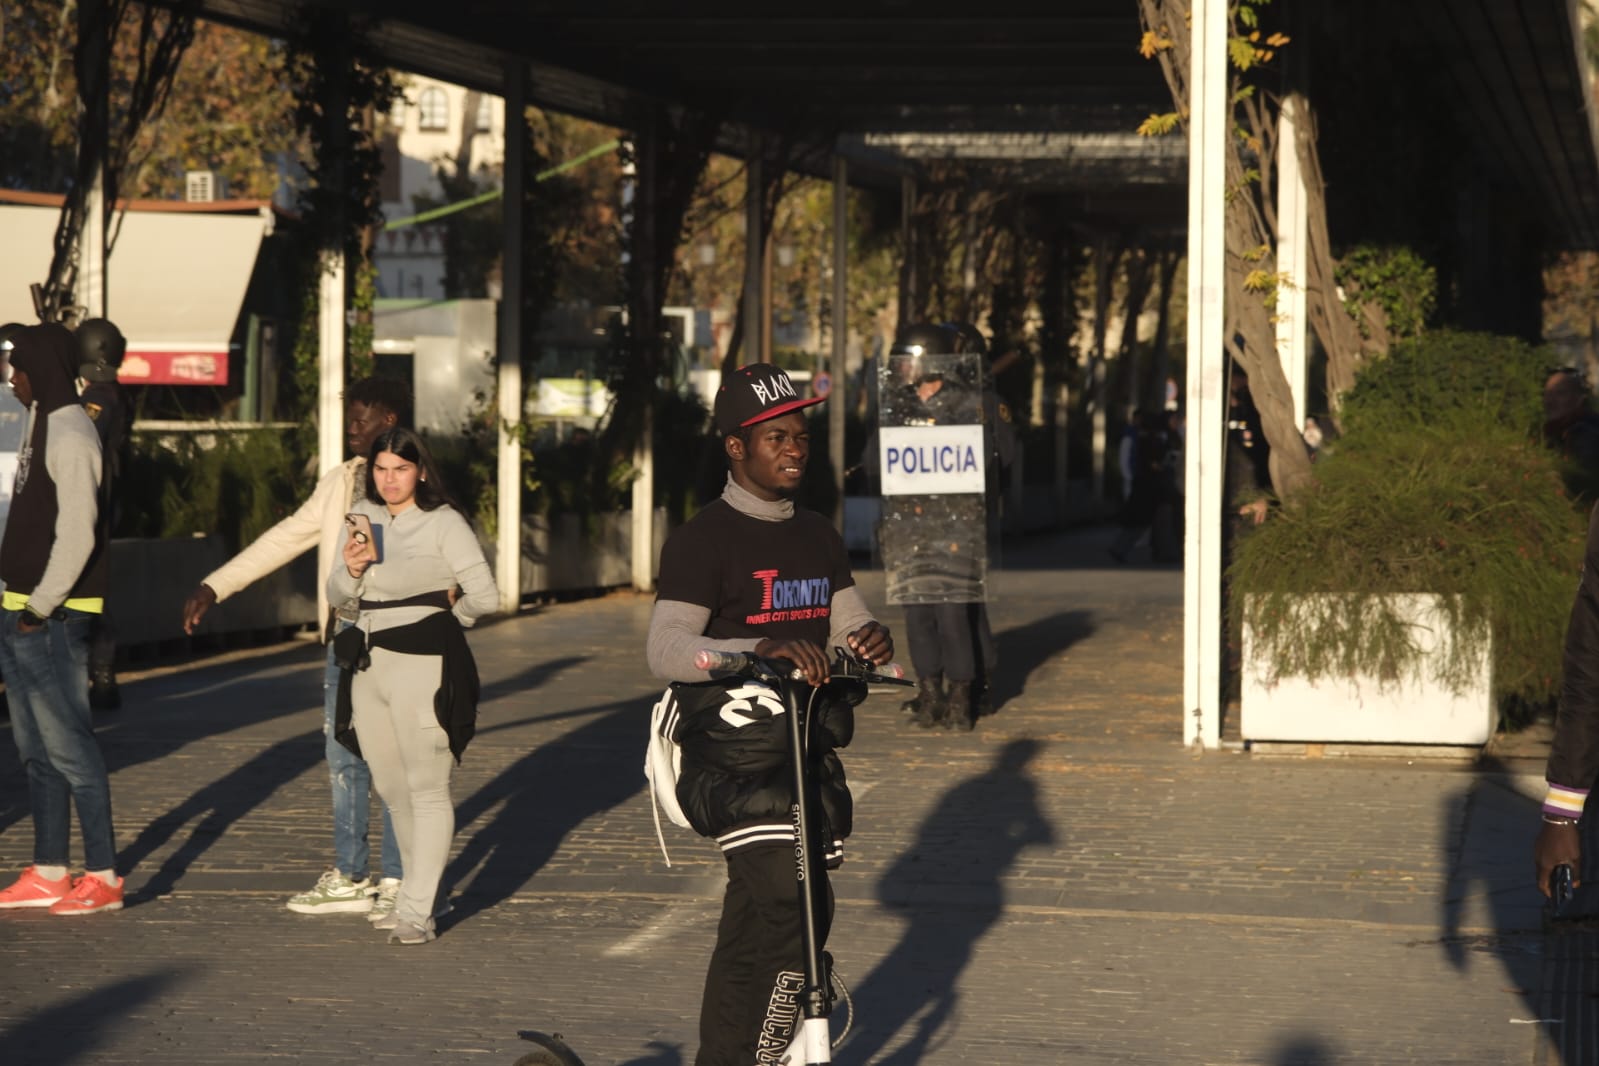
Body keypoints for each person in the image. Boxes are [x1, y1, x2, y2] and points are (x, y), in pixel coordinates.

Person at [646, 363, 894, 1066]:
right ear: (736, 447)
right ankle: (764, 1055)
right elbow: (664, 649)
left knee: (754, 926)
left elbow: (848, 624)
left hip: (800, 754)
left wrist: (867, 640)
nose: (794, 449)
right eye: (776, 437)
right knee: (795, 911)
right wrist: (756, 648)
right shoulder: (706, 538)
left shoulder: (816, 533)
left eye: (801, 437)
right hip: (728, 761)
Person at [180, 377, 411, 918]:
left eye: (363, 418)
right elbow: (287, 536)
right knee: (343, 758)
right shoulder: (342, 481)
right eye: (349, 417)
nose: (353, 427)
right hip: (344, 644)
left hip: (399, 644)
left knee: (397, 763)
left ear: (391, 422)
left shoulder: (415, 484)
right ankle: (353, 876)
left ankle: (402, 879)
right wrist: (216, 584)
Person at [328, 427, 495, 945]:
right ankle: (418, 895)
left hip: (425, 665)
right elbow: (338, 595)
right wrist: (350, 572)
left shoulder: (443, 523)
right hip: (368, 666)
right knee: (393, 789)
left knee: (427, 788)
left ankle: (419, 910)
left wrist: (448, 618)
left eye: (400, 469)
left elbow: (485, 596)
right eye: (381, 469)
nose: (390, 479)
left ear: (420, 470)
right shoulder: (364, 517)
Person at [0, 323, 122, 914]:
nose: (10, 378)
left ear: (41, 368)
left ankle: (103, 875)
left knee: (71, 746)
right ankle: (50, 868)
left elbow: (76, 532)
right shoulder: (39, 418)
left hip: (52, 613)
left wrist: (39, 608)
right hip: (19, 605)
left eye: (16, 367)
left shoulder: (72, 431)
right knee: (35, 751)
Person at [76, 318, 129, 711]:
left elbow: (82, 442)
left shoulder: (96, 398)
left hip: (93, 504)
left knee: (89, 591)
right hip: (107, 504)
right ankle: (103, 673)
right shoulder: (116, 393)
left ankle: (101, 673)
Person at [1542, 367, 1599, 502]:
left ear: (1580, 399)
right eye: (1547, 394)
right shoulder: (1558, 431)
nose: (1550, 400)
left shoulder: (1586, 432)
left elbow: (1585, 481)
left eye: (1560, 393)